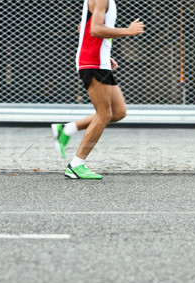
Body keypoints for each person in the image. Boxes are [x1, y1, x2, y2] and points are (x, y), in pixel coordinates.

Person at [52, 0, 144, 179]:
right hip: (92, 62)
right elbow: (95, 29)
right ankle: (76, 165)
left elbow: (82, 28)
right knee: (104, 115)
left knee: (118, 112)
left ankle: (67, 129)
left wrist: (104, 51)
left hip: (98, 60)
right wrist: (128, 31)